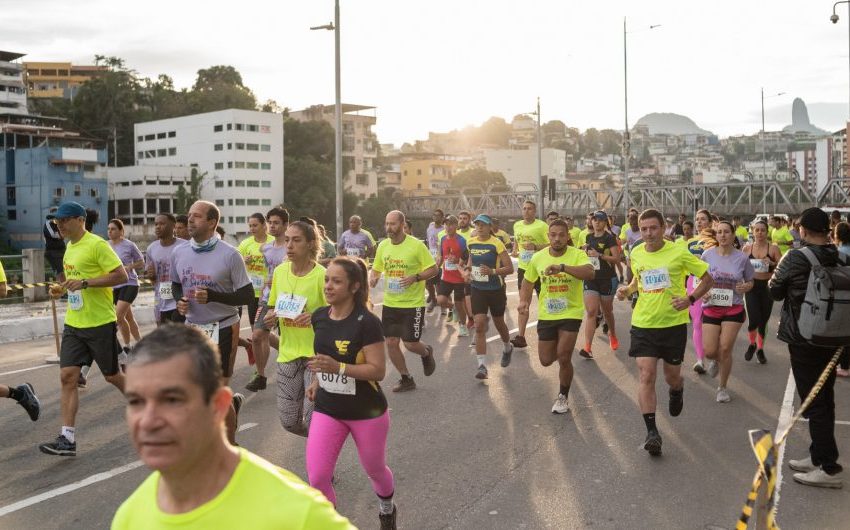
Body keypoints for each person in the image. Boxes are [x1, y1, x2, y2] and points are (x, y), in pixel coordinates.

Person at [113, 325, 353, 530]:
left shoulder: (298, 513)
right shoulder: (129, 516)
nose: (148, 420)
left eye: (172, 400)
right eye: (136, 401)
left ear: (219, 406)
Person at [305, 257, 398, 529]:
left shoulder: (366, 322)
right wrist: (316, 381)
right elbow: (323, 355)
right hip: (328, 408)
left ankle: (386, 508)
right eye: (326, 280)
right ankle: (332, 524)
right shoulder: (320, 316)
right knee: (318, 476)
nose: (328, 286)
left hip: (365, 411)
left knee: (375, 469)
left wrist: (339, 368)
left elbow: (378, 370)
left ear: (354, 286)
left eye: (336, 281)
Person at [616, 208, 713, 456]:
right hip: (643, 323)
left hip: (672, 325)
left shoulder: (679, 252)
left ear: (663, 229)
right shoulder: (636, 252)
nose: (648, 233)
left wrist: (690, 299)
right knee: (646, 375)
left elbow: (707, 278)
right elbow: (638, 280)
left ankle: (677, 388)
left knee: (671, 376)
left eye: (653, 228)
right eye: (644, 228)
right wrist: (626, 291)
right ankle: (652, 433)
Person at [40, 201, 129, 456]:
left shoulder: (97, 244)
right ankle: (67, 438)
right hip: (74, 323)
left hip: (99, 322)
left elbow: (121, 276)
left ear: (80, 220)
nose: (60, 225)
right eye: (57, 222)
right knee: (68, 377)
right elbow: (73, 282)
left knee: (113, 376)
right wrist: (61, 288)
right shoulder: (69, 248)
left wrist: (86, 283)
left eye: (65, 220)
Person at [769, 207, 847, 488]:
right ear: (827, 231)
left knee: (813, 402)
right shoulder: (838, 254)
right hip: (832, 334)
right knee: (823, 397)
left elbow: (774, 290)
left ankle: (829, 468)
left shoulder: (795, 257)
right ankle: (817, 456)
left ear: (801, 230)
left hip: (803, 336)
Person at [172, 200, 253, 445]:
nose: (190, 220)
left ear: (211, 222)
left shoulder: (230, 255)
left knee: (217, 391)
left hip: (224, 326)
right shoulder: (180, 251)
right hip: (193, 328)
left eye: (196, 216)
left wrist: (214, 296)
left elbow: (247, 296)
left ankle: (231, 446)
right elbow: (176, 285)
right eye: (189, 215)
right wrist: (180, 301)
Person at [519, 219, 594, 413]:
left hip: (571, 311)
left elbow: (589, 272)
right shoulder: (538, 257)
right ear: (548, 236)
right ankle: (564, 368)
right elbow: (528, 282)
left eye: (562, 234)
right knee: (545, 360)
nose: (557, 238)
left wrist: (562, 267)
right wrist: (524, 301)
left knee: (563, 356)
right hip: (547, 313)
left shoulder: (577, 254)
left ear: (568, 236)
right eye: (553, 235)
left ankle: (563, 396)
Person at [262, 221, 327, 436]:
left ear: (310, 244)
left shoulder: (322, 276)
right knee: (289, 422)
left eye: (296, 240)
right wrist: (270, 316)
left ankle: (320, 462)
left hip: (316, 356)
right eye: (287, 240)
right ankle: (323, 442)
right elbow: (272, 306)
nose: (289, 245)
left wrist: (315, 317)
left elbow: (338, 315)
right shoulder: (280, 272)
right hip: (288, 354)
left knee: (311, 419)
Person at [369, 211, 438, 392]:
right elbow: (376, 268)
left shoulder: (416, 246)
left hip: (412, 303)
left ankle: (426, 352)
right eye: (387, 224)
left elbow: (433, 269)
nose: (389, 228)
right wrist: (373, 277)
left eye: (392, 224)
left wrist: (415, 277)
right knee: (391, 342)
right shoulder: (383, 246)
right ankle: (406, 378)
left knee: (410, 344)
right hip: (391, 303)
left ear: (402, 224)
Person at [699, 221, 755, 403]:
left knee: (725, 348)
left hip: (734, 307)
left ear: (733, 235)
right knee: (709, 351)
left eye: (726, 232)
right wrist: (704, 292)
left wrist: (746, 286)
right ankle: (715, 360)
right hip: (711, 307)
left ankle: (722, 388)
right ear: (716, 236)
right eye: (719, 232)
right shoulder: (707, 255)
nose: (723, 235)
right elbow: (697, 279)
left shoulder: (742, 258)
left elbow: (751, 280)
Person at [464, 214, 514, 379]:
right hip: (478, 288)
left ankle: (507, 347)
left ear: (490, 227)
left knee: (499, 324)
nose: (479, 227)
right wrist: (468, 271)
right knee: (479, 325)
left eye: (483, 225)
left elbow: (509, 268)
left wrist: (492, 271)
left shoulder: (496, 243)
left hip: (495, 289)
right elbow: (471, 260)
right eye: (477, 224)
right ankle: (481, 366)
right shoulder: (471, 242)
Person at [247, 208, 289, 392]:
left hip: (289, 298)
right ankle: (261, 375)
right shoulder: (265, 248)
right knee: (257, 335)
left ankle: (291, 359)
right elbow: (268, 272)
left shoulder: (292, 246)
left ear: (286, 225)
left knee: (291, 337)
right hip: (267, 298)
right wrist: (266, 286)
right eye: (270, 222)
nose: (272, 226)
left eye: (276, 222)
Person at [579, 211, 621, 359]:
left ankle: (613, 334)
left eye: (600, 220)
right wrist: (584, 251)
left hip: (607, 279)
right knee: (591, 311)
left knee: (607, 311)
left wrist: (600, 255)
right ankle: (587, 348)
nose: (596, 222)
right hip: (591, 278)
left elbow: (617, 258)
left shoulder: (609, 238)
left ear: (605, 223)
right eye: (594, 220)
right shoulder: (588, 237)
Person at [741, 220, 781, 364]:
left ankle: (760, 349)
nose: (759, 233)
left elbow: (781, 267)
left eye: (762, 230)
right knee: (754, 319)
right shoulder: (747, 249)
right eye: (756, 230)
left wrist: (772, 264)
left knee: (763, 321)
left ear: (767, 231)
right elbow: (740, 268)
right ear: (752, 231)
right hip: (752, 286)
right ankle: (752, 344)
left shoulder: (774, 249)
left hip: (767, 287)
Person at [510, 201, 550, 349]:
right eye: (524, 209)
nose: (526, 211)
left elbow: (552, 244)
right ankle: (521, 337)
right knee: (523, 303)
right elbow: (517, 241)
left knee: (544, 302)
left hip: (540, 268)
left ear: (535, 211)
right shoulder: (517, 225)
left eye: (530, 209)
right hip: (524, 269)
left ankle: (549, 331)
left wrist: (536, 247)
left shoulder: (542, 226)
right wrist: (515, 250)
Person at [107, 218, 145, 360]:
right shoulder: (105, 246)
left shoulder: (129, 245)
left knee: (119, 316)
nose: (110, 231)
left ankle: (127, 347)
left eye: (113, 229)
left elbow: (141, 262)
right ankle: (138, 344)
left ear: (121, 231)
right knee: (128, 317)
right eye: (108, 229)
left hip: (130, 283)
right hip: (114, 286)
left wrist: (129, 267)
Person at [145, 213, 187, 326]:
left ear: (173, 226)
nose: (158, 227)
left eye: (162, 223)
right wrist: (151, 275)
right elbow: (153, 280)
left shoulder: (185, 246)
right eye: (156, 224)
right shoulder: (151, 248)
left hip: (180, 300)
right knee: (164, 337)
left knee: (179, 336)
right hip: (162, 300)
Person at [238, 213, 274, 340]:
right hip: (252, 291)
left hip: (269, 291)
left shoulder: (272, 242)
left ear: (264, 225)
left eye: (255, 225)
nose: (252, 228)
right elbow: (236, 264)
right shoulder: (245, 244)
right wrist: (243, 261)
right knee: (256, 330)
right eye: (250, 226)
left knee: (263, 330)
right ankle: (257, 351)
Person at [687, 209, 713, 374]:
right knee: (697, 323)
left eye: (703, 219)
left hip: (713, 283)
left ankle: (713, 357)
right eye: (697, 219)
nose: (699, 222)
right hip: (693, 282)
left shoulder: (716, 241)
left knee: (712, 324)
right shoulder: (690, 243)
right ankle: (700, 360)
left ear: (710, 223)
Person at [436, 216, 469, 336]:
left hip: (459, 277)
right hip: (446, 276)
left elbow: (466, 256)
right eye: (445, 224)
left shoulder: (461, 240)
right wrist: (437, 264)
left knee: (460, 303)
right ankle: (452, 307)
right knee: (440, 300)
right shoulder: (443, 239)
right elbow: (441, 255)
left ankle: (463, 326)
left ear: (456, 226)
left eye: (450, 224)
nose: (447, 227)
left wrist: (458, 262)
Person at [44, 215, 66, 282]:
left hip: (62, 250)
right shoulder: (48, 224)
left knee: (66, 270)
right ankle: (60, 289)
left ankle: (64, 289)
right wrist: (61, 235)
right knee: (60, 272)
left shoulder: (58, 224)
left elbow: (64, 234)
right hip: (53, 252)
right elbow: (53, 234)